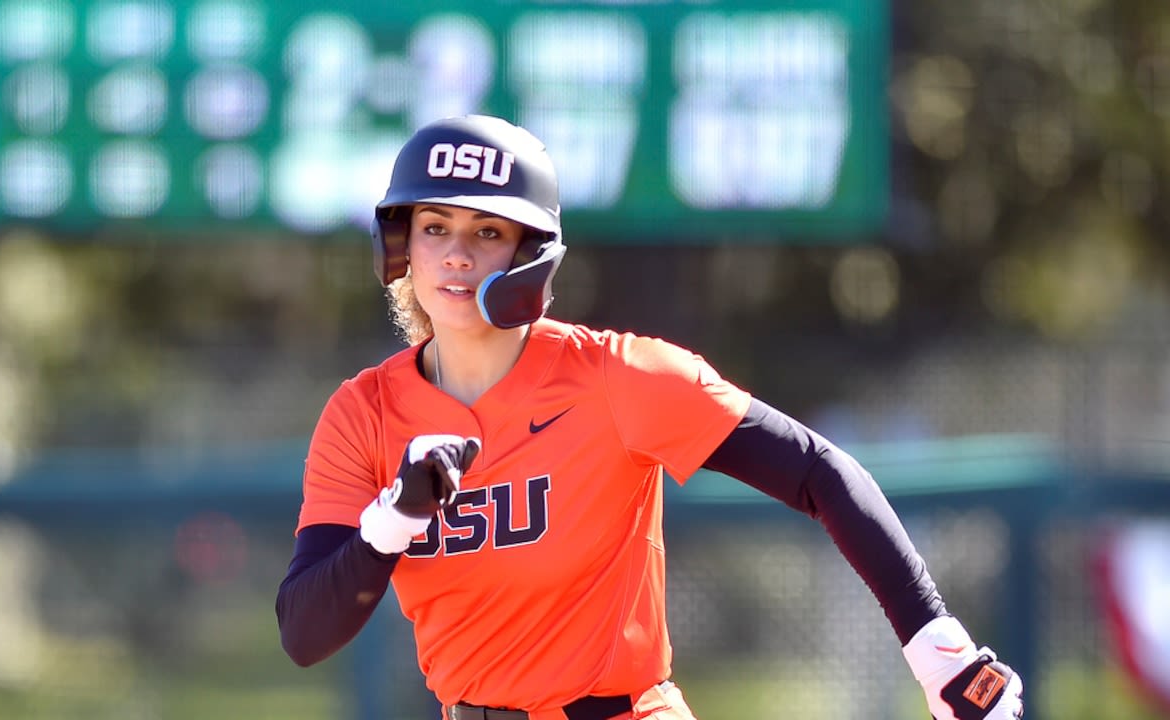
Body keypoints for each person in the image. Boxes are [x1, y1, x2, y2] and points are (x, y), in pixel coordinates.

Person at [275, 114, 1025, 720]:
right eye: (435, 227)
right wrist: (391, 522)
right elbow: (307, 634)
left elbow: (820, 474)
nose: (456, 254)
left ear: (532, 255)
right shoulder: (363, 413)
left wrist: (939, 650)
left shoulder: (616, 376)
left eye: (488, 231)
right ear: (402, 242)